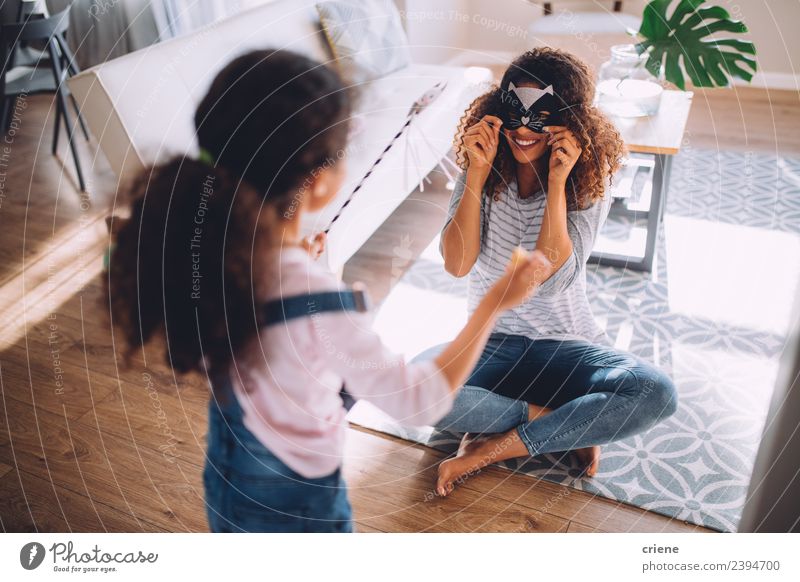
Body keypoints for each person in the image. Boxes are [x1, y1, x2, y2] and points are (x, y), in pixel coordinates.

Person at [106, 49, 549, 532]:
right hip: (297, 510)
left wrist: (296, 260)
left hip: (227, 480)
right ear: (319, 182)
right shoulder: (313, 301)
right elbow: (422, 401)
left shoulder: (208, 249)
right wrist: (495, 303)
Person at [434, 48, 677, 496]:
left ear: (571, 121)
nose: (524, 128)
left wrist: (558, 183)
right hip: (492, 342)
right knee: (425, 393)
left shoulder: (587, 178)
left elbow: (551, 277)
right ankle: (563, 423)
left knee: (655, 391)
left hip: (565, 346)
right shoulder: (480, 163)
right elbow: (456, 263)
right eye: (515, 114)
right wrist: (477, 173)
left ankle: (493, 448)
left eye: (540, 116)